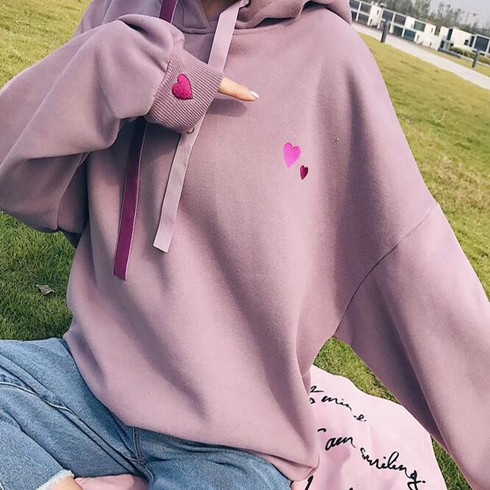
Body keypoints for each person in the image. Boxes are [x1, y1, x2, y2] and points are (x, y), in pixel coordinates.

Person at [0, 0, 489, 488]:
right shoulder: (120, 12)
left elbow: (415, 268)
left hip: (236, 446)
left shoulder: (332, 58)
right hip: (85, 384)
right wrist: (112, 66)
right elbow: (18, 176)